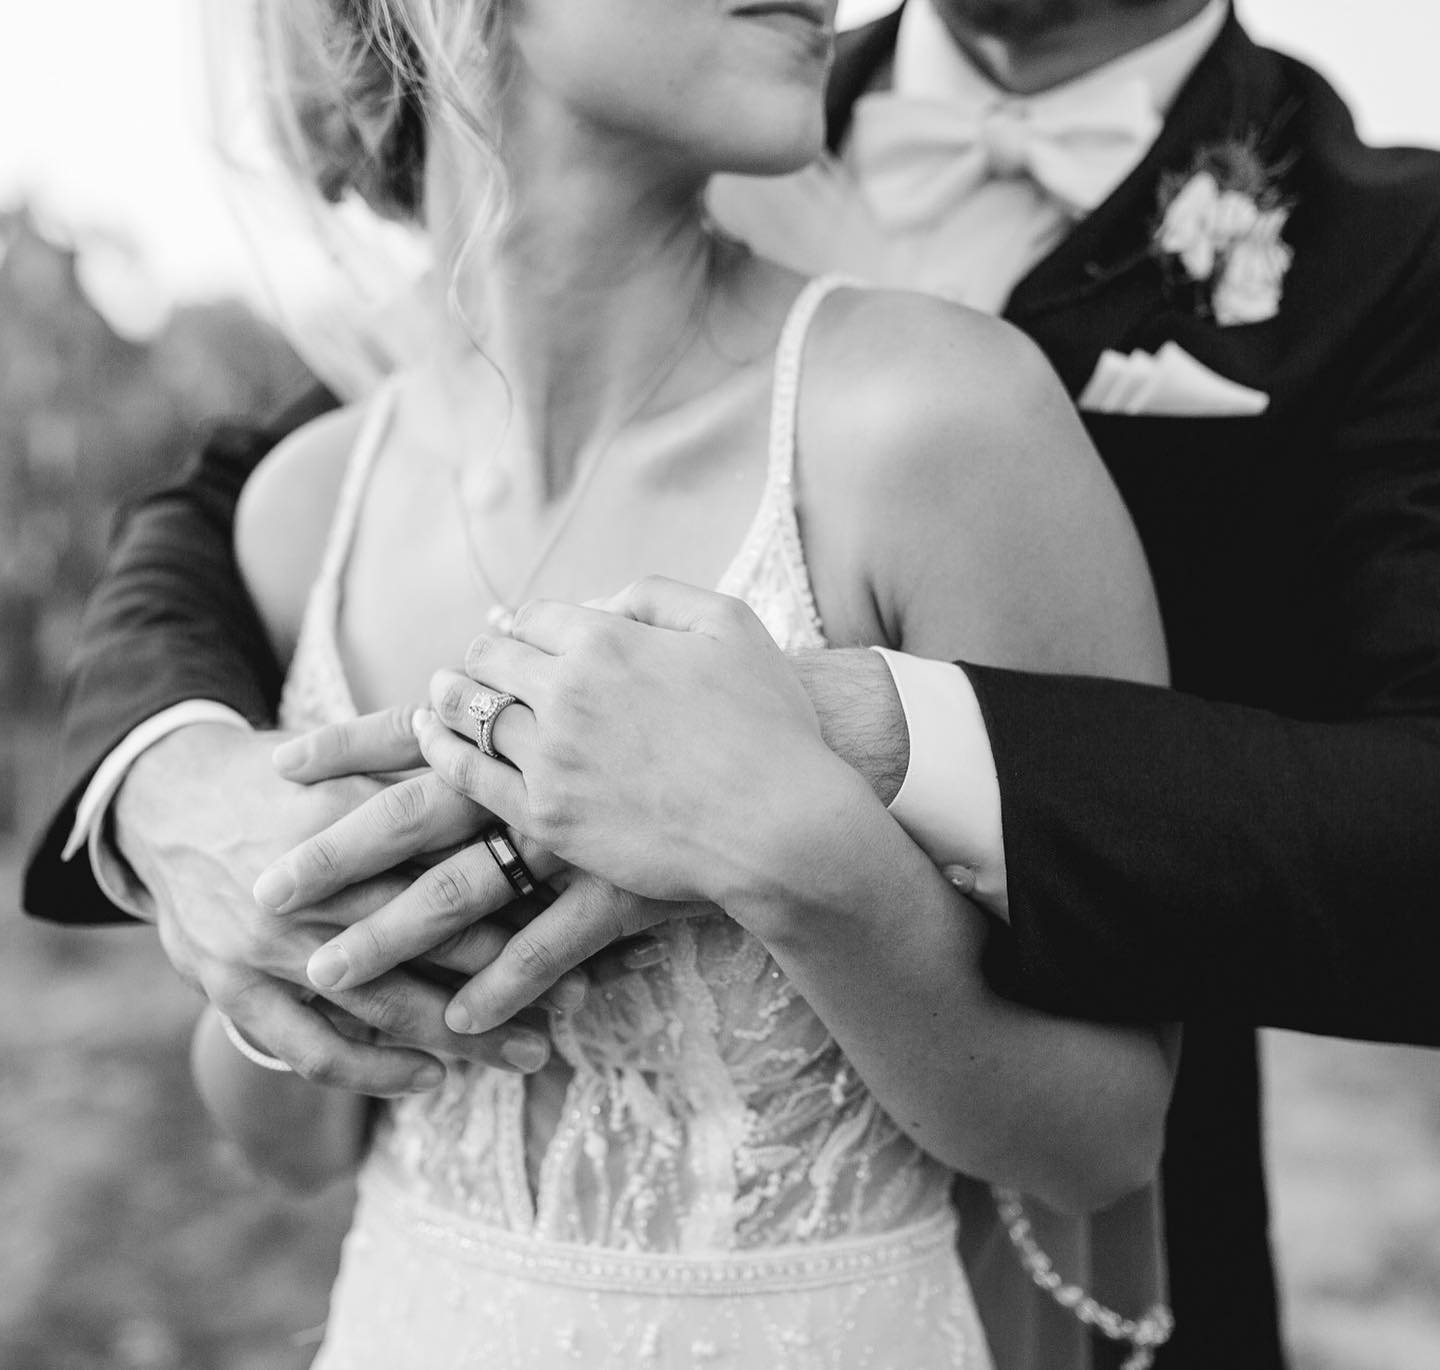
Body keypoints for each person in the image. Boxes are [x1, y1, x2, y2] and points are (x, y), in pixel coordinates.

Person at [22, 0, 1440, 1364]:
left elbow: (1111, 1118)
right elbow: (286, 1133)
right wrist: (250, 897)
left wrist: (827, 780)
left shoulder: (974, 393)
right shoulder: (337, 481)